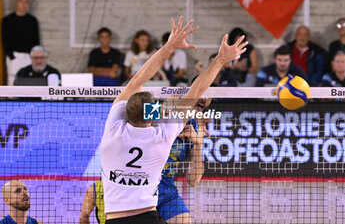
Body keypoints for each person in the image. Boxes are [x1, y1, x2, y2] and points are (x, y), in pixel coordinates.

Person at [99, 16, 247, 224]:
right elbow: (196, 91)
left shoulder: (112, 131)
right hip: (148, 216)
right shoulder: (163, 136)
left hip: (116, 218)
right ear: (152, 117)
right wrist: (221, 59)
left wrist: (168, 47)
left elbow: (136, 81)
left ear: (125, 113)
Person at [157, 100, 210, 224]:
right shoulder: (164, 107)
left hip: (166, 189)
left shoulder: (196, 130)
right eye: (198, 103)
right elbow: (139, 112)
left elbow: (194, 181)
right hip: (143, 186)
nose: (200, 109)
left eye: (202, 107)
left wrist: (197, 145)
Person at [2, 0, 40, 85]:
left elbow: (36, 40)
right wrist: (11, 56)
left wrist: (34, 56)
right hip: (14, 56)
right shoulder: (7, 20)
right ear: (16, 2)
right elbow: (5, 39)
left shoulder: (32, 21)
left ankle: (28, 99)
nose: (23, 4)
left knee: (29, 82)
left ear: (29, 4)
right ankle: (11, 99)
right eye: (21, 1)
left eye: (26, 2)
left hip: (28, 57)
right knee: (12, 81)